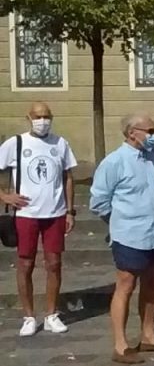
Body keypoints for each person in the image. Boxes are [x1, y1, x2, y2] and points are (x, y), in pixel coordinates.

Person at [89, 114, 154, 365]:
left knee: (151, 283)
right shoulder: (114, 161)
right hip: (129, 234)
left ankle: (149, 334)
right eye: (149, 130)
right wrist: (118, 221)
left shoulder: (150, 157)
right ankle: (121, 344)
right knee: (126, 285)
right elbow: (99, 201)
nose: (153, 134)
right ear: (131, 133)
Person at [0, 101, 76, 337]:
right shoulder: (16, 143)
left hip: (54, 213)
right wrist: (5, 195)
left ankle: (51, 314)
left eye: (46, 116)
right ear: (29, 118)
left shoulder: (60, 143)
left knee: (54, 263)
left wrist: (70, 210)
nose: (42, 121)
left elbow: (68, 177)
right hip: (26, 214)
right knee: (25, 264)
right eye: (38, 116)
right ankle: (29, 316)